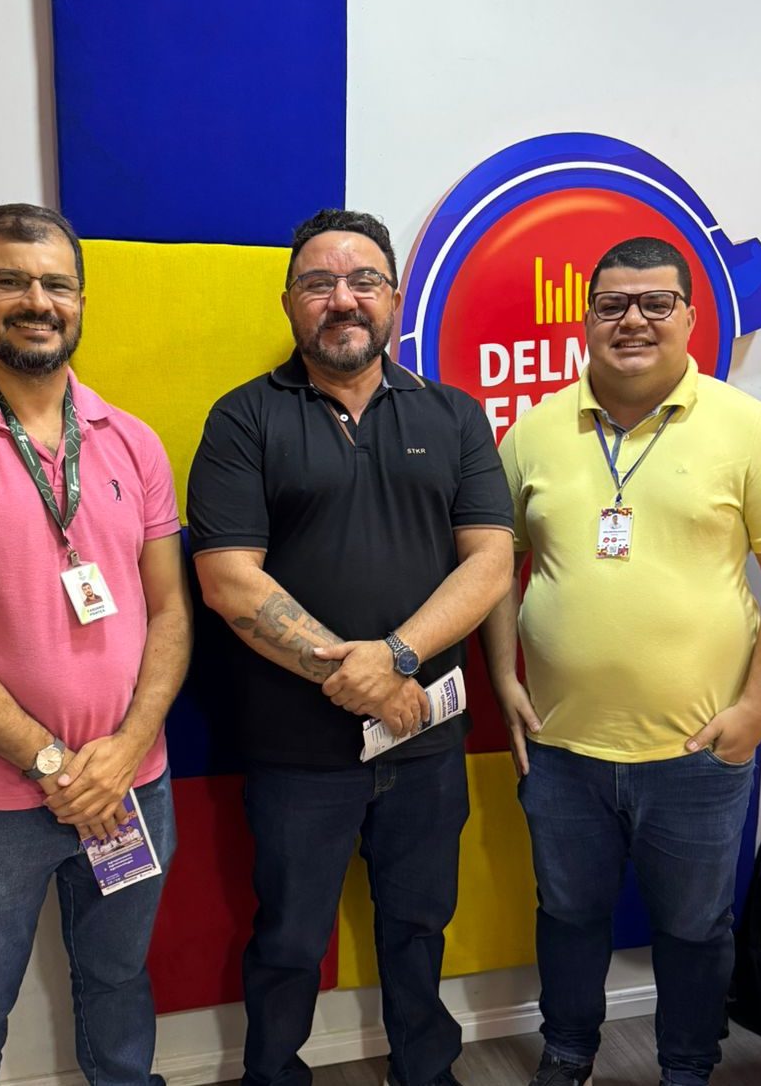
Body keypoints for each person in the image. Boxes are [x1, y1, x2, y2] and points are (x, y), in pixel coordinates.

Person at [480, 236, 761, 1086]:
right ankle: (567, 1054)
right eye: (612, 304)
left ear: (690, 317)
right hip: (561, 747)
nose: (632, 320)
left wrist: (754, 712)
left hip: (698, 752)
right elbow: (493, 566)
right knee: (568, 914)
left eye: (655, 303)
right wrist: (502, 676)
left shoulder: (752, 431)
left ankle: (685, 1068)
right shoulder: (534, 432)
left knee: (695, 929)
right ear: (586, 318)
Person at [187, 209, 514, 1086]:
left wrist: (396, 658)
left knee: (419, 926)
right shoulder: (243, 419)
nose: (343, 299)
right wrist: (357, 674)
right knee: (289, 939)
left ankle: (425, 1070)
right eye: (319, 283)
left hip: (424, 737)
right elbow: (228, 581)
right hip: (296, 751)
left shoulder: (454, 415)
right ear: (289, 302)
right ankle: (272, 1075)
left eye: (363, 280)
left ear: (394, 298)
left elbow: (490, 563)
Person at [0, 203, 192, 1086]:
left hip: (132, 784)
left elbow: (170, 612)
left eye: (56, 284)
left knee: (119, 982)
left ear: (81, 299)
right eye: (11, 281)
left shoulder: (133, 440)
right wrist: (56, 766)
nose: (37, 301)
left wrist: (123, 752)